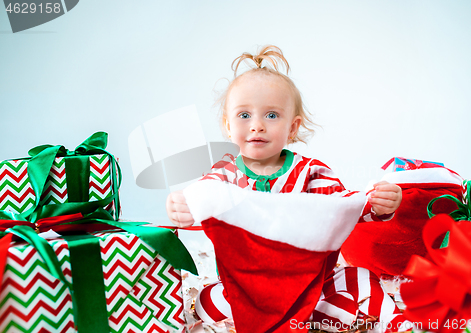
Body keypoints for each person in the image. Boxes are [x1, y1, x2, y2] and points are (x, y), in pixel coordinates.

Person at [166, 45, 408, 331]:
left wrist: (377, 203)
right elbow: (202, 197)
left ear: (292, 128)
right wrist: (182, 206)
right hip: (245, 288)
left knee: (360, 279)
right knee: (207, 303)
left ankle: (400, 325)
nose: (257, 126)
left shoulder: (312, 171)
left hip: (308, 282)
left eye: (271, 115)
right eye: (244, 116)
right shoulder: (224, 173)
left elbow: (343, 204)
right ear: (228, 126)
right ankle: (291, 318)